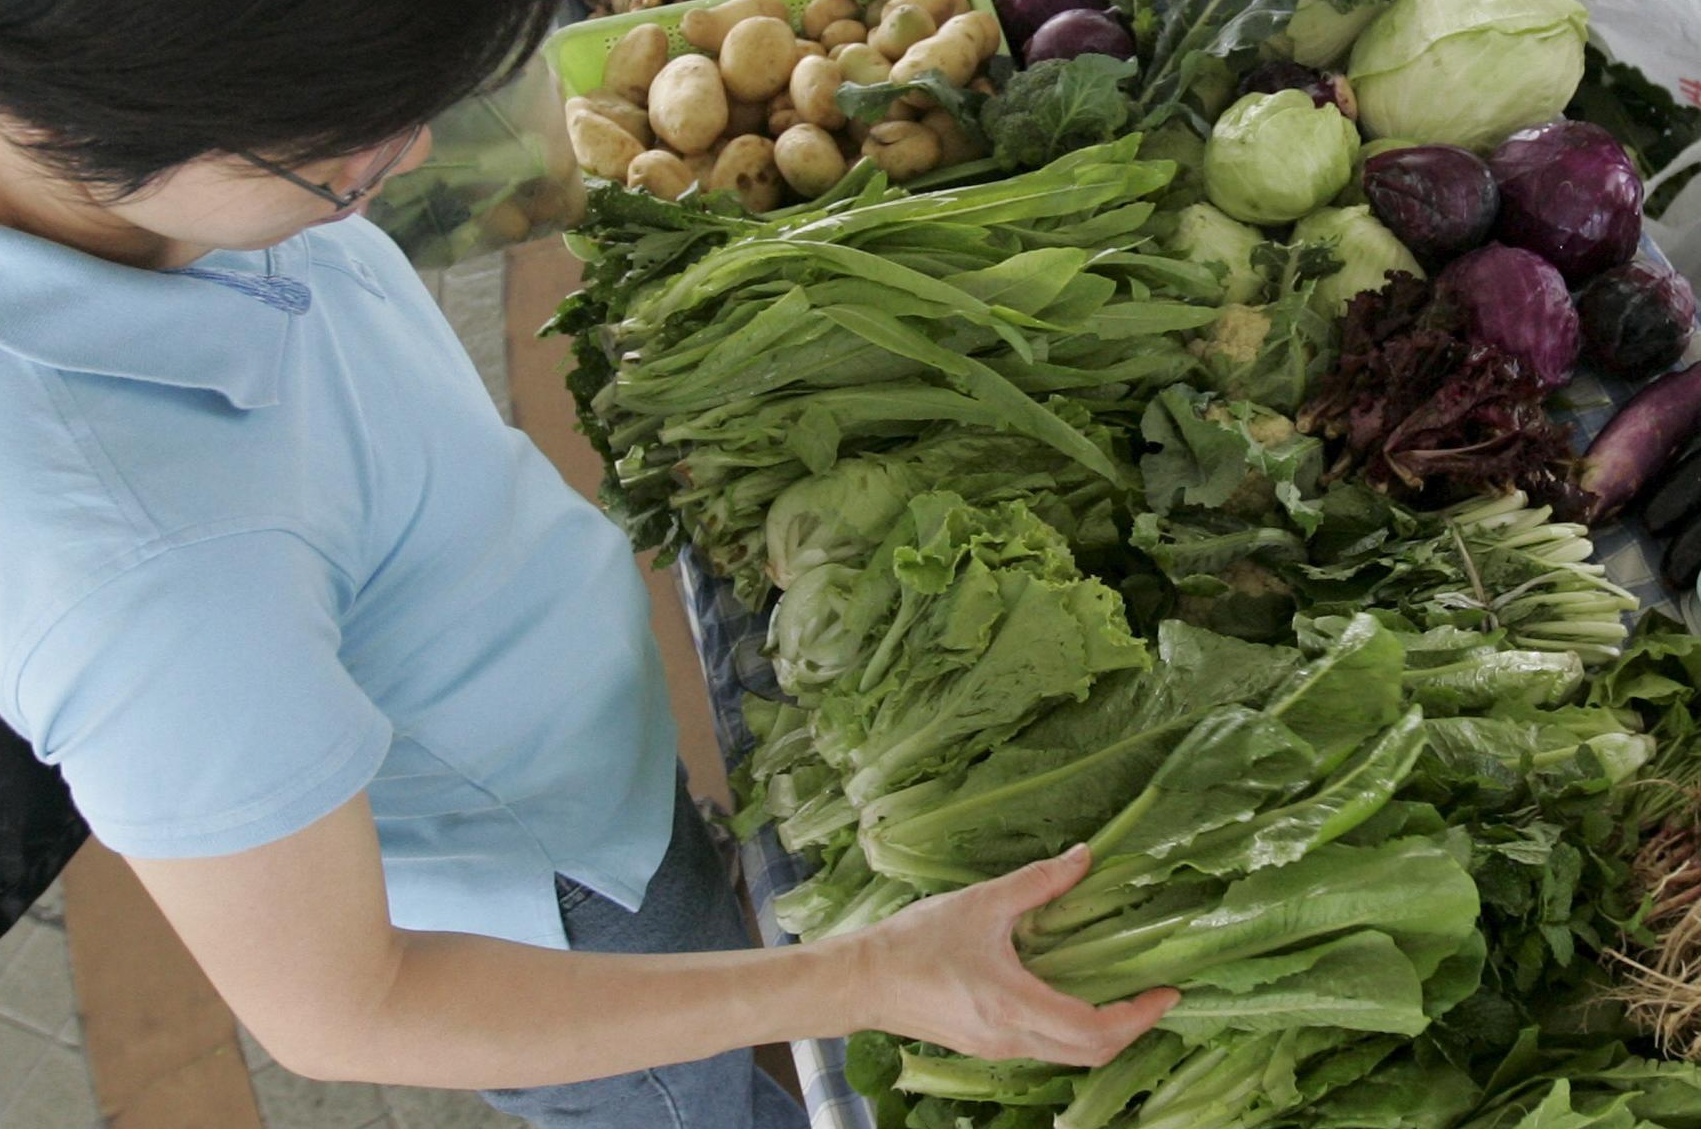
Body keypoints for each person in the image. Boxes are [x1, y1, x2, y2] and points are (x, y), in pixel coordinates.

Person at [0, 2, 1180, 1126]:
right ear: (136, 121)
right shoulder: (144, 573)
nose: (413, 156)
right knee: (684, 1100)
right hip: (553, 904)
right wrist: (864, 978)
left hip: (571, 765)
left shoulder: (147, 180)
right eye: (342, 157)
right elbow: (348, 1007)